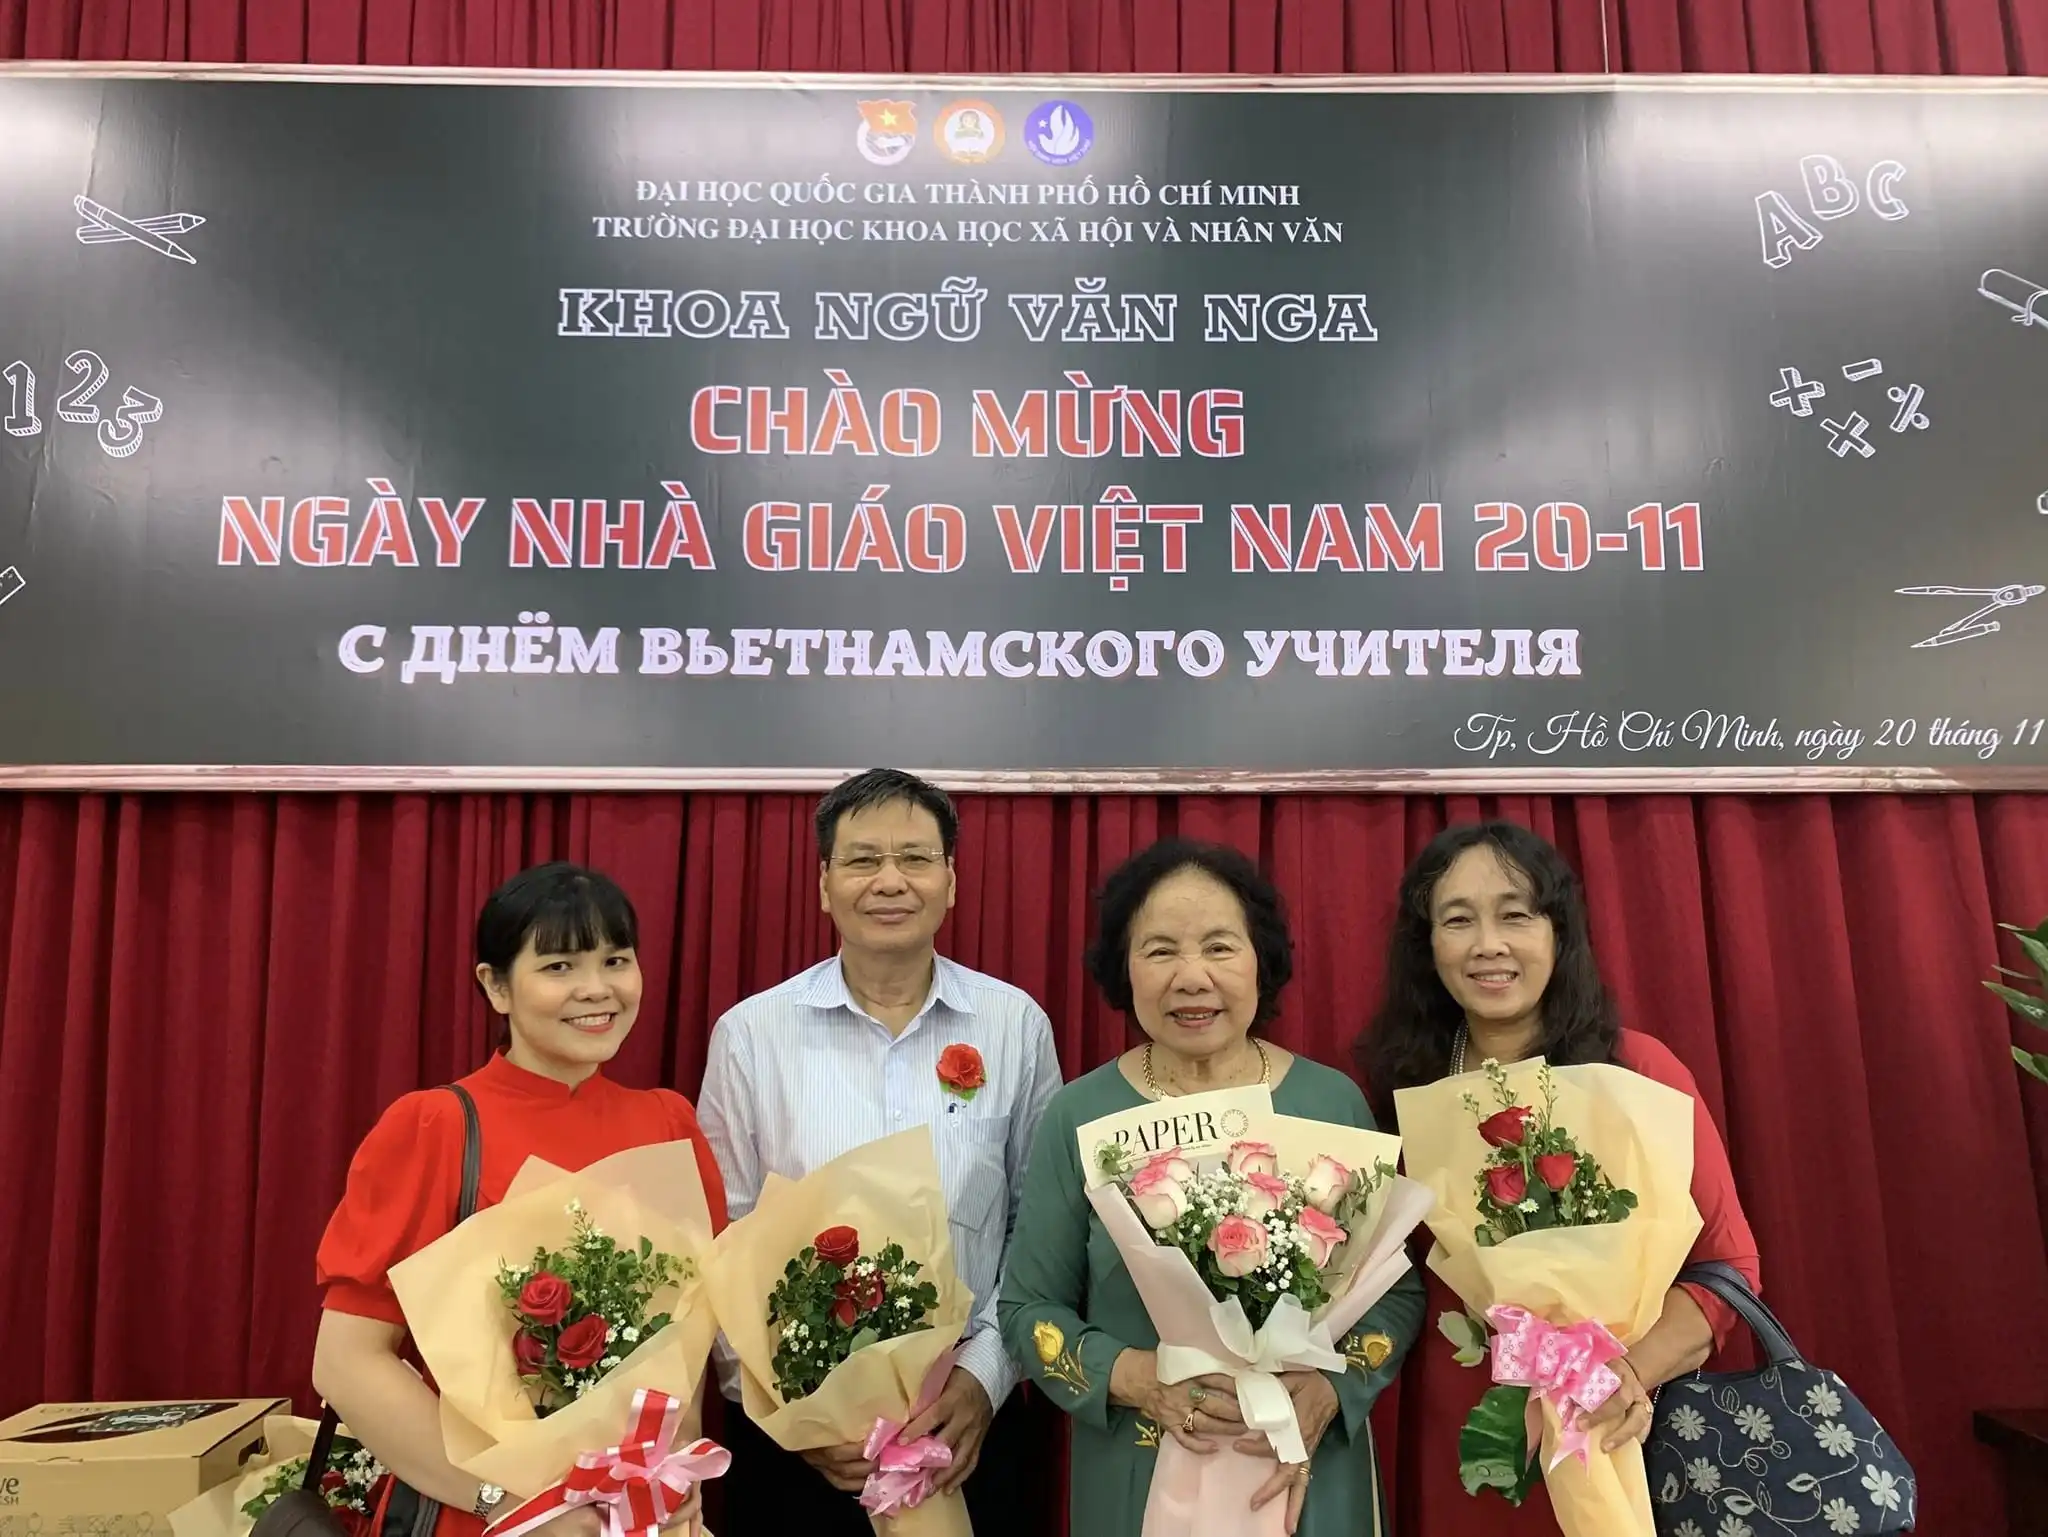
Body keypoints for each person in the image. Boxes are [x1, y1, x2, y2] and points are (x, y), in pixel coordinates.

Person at [999, 839, 1424, 1537]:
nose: (1191, 977)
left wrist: (1333, 1387)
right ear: (1124, 968)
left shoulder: (1330, 1101)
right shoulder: (1081, 1114)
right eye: (1160, 950)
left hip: (1305, 1461)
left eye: (1220, 948)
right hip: (1141, 1463)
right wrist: (1140, 1378)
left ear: (1262, 962)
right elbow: (1028, 1307)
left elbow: (1395, 1292)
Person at [1354, 820, 1763, 1537]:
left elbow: (1727, 1268)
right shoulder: (1400, 1091)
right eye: (1458, 920)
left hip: (1620, 1422)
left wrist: (1624, 1375)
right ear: (1427, 944)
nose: (1489, 943)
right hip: (1473, 1435)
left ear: (1558, 932)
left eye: (1515, 914)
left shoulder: (1637, 1072)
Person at [312, 862, 729, 1537]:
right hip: (480, 1513)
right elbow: (347, 1362)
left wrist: (673, 1471)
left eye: (615, 960)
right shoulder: (436, 1127)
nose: (596, 988)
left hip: (634, 1513)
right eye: (559, 966)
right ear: (496, 985)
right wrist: (510, 1504)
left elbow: (685, 1344)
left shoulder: (668, 1123)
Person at [697, 768, 1063, 1536]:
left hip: (967, 1431)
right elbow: (723, 1239)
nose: (889, 880)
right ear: (824, 883)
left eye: (915, 858)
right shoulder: (752, 1035)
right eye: (863, 859)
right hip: (800, 1447)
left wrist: (982, 1380)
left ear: (951, 880)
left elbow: (1040, 1234)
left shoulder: (1014, 1025)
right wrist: (786, 1409)